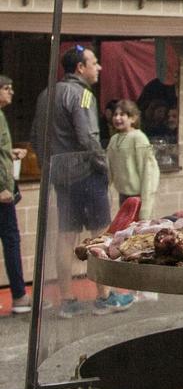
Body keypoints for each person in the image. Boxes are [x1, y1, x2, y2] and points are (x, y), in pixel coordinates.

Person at [32, 45, 111, 314]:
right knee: (100, 235)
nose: (98, 67)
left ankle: (66, 299)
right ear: (80, 68)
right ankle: (104, 296)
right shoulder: (83, 95)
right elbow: (87, 137)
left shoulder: (46, 94)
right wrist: (104, 165)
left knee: (66, 238)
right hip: (86, 175)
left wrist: (48, 169)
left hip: (60, 178)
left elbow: (35, 136)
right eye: (94, 62)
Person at [106, 98, 160, 224]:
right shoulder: (114, 140)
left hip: (138, 197)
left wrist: (145, 209)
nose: (117, 118)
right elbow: (109, 169)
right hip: (123, 195)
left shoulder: (139, 138)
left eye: (122, 114)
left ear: (133, 118)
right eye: (115, 114)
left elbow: (148, 172)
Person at [0, 76, 27, 316]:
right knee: (11, 241)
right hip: (2, 194)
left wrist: (10, 153)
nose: (11, 93)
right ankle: (19, 295)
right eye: (7, 89)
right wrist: (1, 188)